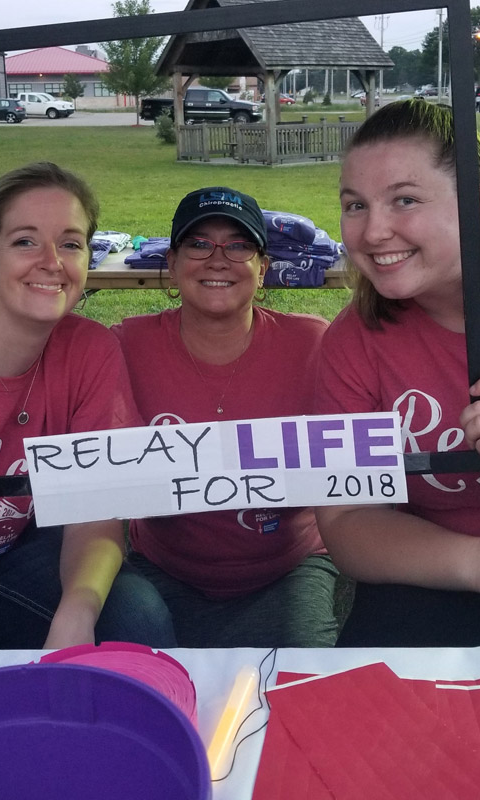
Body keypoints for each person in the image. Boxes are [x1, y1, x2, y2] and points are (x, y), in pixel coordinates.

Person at [0, 161, 175, 649]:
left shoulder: (89, 350)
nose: (52, 261)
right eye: (25, 241)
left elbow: (99, 504)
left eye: (71, 243)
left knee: (132, 618)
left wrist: (76, 612)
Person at [316, 99, 480, 647]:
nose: (374, 231)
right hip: (429, 574)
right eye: (355, 205)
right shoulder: (352, 342)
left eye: (404, 200)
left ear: (474, 205)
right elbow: (345, 523)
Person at [112, 186, 338, 648]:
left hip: (290, 567)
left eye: (238, 245)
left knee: (300, 684)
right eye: (198, 243)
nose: (218, 259)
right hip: (162, 566)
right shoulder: (124, 346)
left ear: (262, 268)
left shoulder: (313, 343)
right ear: (171, 264)